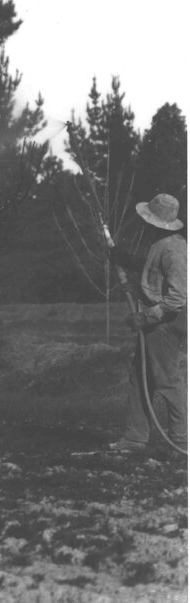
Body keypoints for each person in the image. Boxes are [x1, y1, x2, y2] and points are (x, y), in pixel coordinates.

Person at [110, 193, 187, 454]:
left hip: (166, 322)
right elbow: (151, 271)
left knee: (166, 379)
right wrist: (124, 260)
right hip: (157, 321)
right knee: (140, 376)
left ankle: (182, 441)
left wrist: (144, 317)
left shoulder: (173, 249)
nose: (144, 224)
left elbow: (177, 298)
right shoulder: (161, 243)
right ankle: (135, 437)